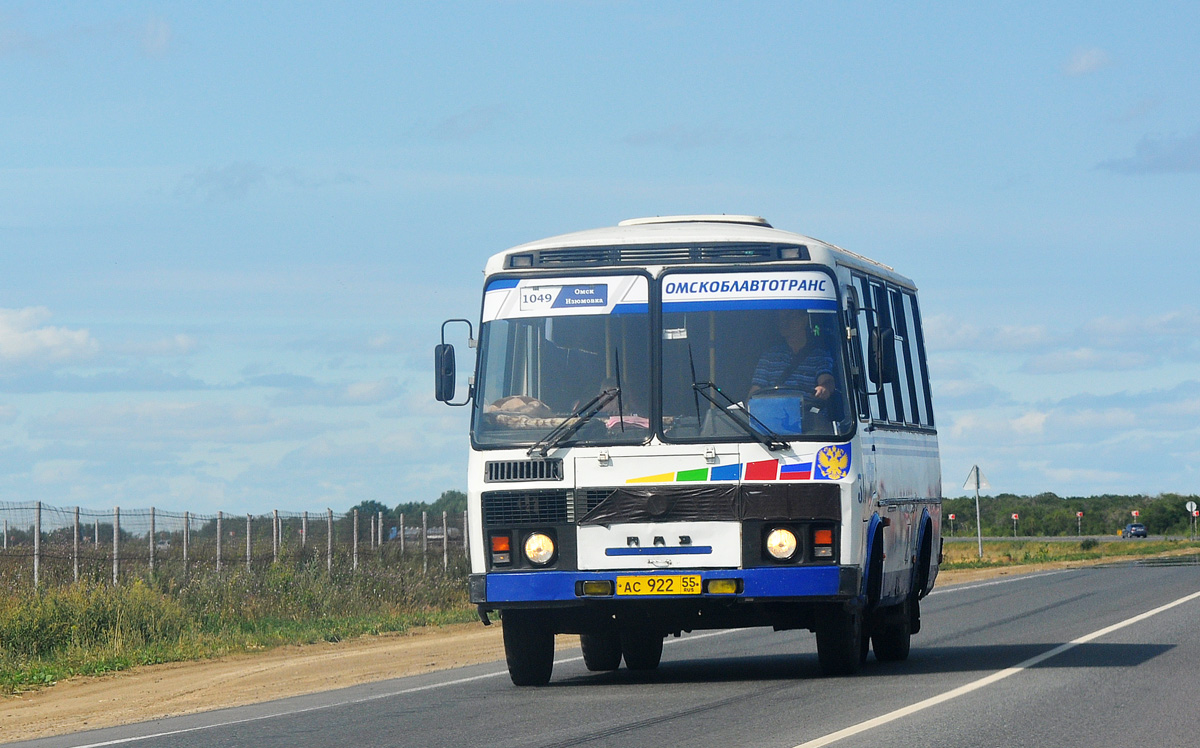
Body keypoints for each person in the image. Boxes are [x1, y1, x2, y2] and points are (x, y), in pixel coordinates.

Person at [748, 309, 835, 400]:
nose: (783, 322)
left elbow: (827, 381)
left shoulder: (819, 355)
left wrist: (823, 388)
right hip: (774, 411)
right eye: (780, 319)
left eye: (789, 317)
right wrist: (749, 406)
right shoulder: (769, 356)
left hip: (809, 411)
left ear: (804, 320)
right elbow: (756, 390)